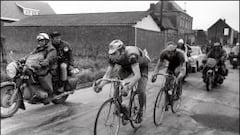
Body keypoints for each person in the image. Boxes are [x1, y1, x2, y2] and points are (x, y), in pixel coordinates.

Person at [93, 39, 150, 124]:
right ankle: (123, 109)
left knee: (141, 90)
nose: (112, 56)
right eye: (110, 54)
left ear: (122, 51)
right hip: (126, 67)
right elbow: (107, 75)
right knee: (117, 83)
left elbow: (137, 75)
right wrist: (101, 85)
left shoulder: (132, 55)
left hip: (141, 68)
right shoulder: (112, 57)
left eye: (114, 53)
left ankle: (140, 111)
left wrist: (128, 86)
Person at [25, 33, 57, 100]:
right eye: (39, 41)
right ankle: (35, 91)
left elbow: (49, 59)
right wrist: (23, 59)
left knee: (41, 76)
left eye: (42, 41)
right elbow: (31, 55)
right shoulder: (38, 48)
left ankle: (50, 94)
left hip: (50, 67)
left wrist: (42, 64)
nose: (40, 42)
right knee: (28, 72)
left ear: (46, 41)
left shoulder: (51, 49)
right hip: (40, 66)